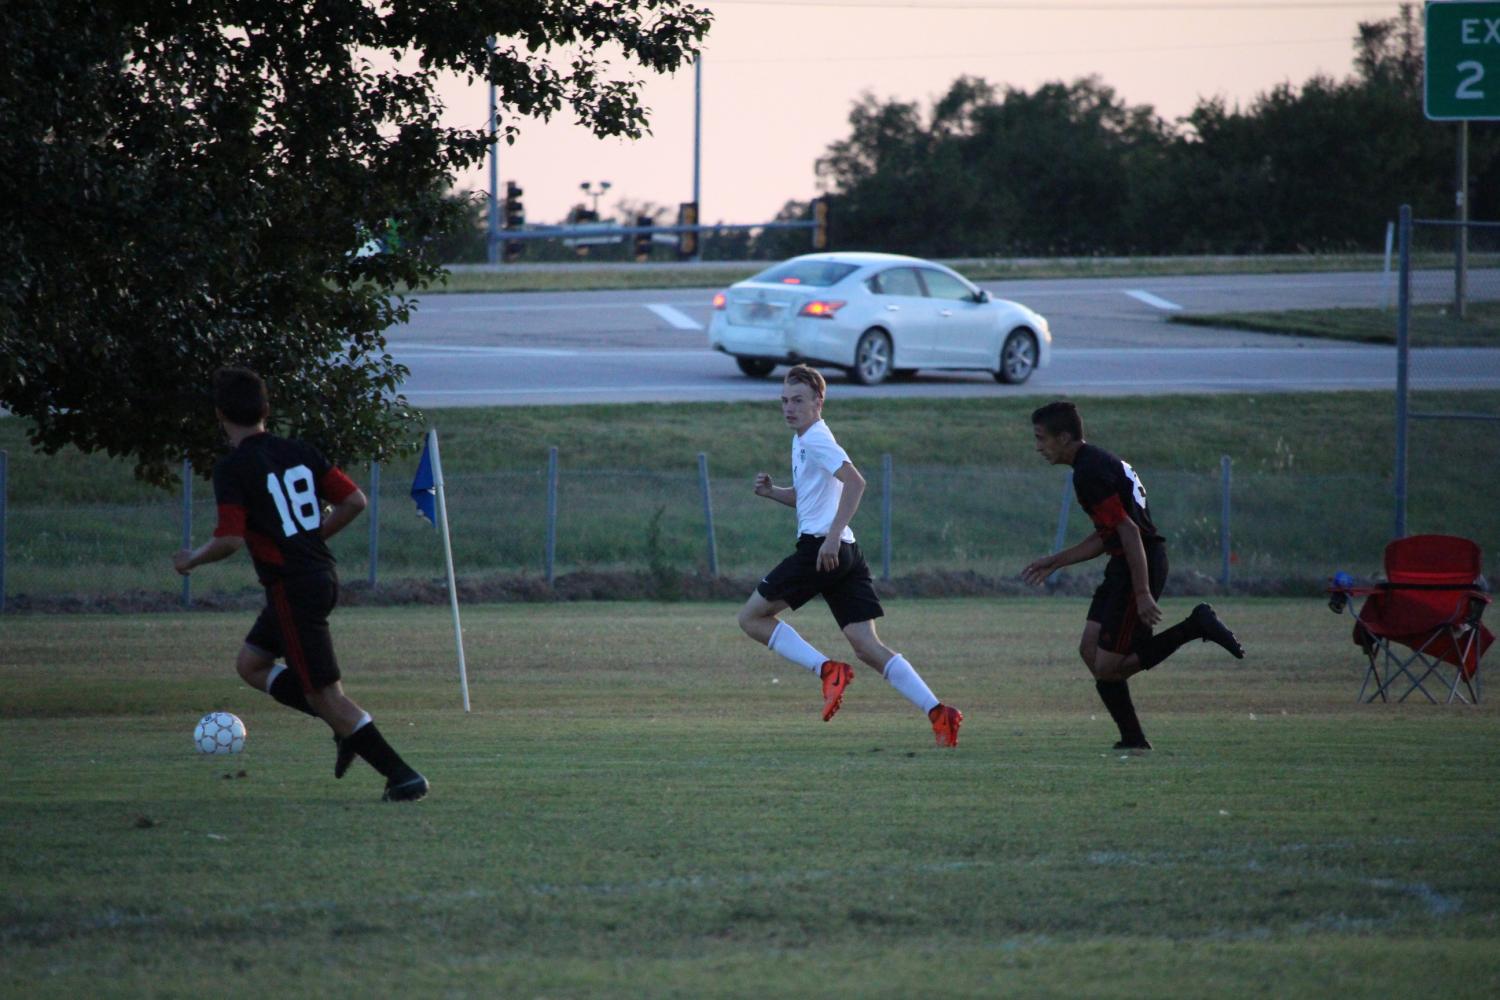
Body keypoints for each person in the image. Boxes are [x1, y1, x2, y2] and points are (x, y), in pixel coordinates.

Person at [173, 367, 428, 801]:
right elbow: (353, 501)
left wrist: (192, 559)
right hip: (318, 576)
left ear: (220, 415)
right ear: (267, 409)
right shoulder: (300, 450)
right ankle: (347, 729)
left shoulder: (233, 468)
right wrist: (313, 537)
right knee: (251, 665)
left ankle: (401, 776)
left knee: (326, 695)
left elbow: (231, 538)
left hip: (291, 586)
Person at [736, 364, 963, 747]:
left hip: (822, 549)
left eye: (798, 401)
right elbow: (811, 498)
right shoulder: (805, 438)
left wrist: (831, 536)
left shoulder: (817, 439)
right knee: (867, 646)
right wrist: (774, 492)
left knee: (751, 618)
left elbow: (856, 483)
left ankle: (827, 670)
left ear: (818, 402)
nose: (789, 408)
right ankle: (939, 712)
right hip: (847, 553)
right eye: (784, 401)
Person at [1022, 400, 1244, 750]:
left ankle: (1195, 626)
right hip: (1124, 563)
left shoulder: (1088, 472)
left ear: (1064, 437)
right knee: (1090, 650)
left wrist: (1142, 592)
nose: (1037, 447)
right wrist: (1057, 560)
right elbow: (1108, 533)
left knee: (1110, 666)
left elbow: (1128, 531)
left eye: (1041, 438)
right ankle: (1133, 738)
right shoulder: (1094, 462)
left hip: (1137, 564)